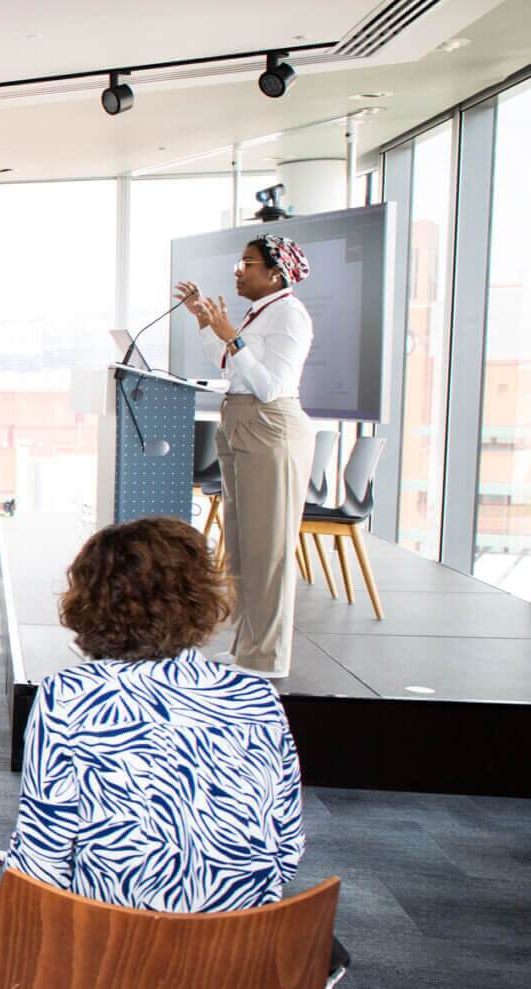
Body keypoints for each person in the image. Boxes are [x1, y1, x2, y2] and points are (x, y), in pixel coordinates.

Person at [5, 517, 303, 912]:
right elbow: (287, 850)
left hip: (107, 952)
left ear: (89, 602)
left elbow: (42, 862)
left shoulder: (68, 698)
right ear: (201, 598)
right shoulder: (257, 698)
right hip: (238, 958)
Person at [175, 234, 315, 678]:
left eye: (248, 263)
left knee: (268, 548)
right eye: (240, 262)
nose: (239, 270)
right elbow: (226, 361)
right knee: (241, 544)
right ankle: (246, 646)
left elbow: (271, 385)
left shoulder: (290, 315)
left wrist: (233, 337)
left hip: (269, 423)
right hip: (239, 420)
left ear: (276, 273)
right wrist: (205, 324)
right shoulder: (262, 312)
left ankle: (267, 657)